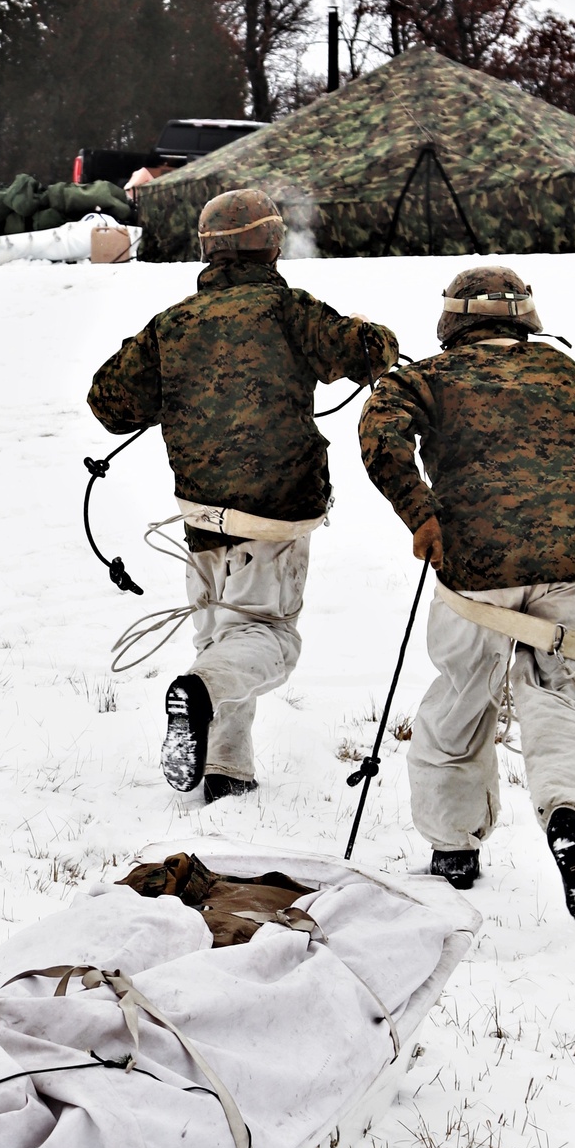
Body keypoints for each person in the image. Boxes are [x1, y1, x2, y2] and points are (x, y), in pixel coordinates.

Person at [358, 265, 575, 919]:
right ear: (527, 318)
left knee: (462, 700)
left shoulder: (427, 378)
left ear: (451, 322)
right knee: (562, 700)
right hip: (574, 563)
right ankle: (570, 817)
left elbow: (379, 435)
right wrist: (565, 483)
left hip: (476, 569)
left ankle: (453, 850)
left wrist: (420, 512)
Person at [88, 187, 398, 800]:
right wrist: (371, 332)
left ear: (210, 249)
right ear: (270, 244)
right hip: (275, 515)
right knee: (266, 637)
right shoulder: (289, 311)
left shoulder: (172, 324)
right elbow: (368, 353)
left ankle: (227, 771)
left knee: (218, 638)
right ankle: (200, 697)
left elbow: (110, 404)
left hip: (200, 514)